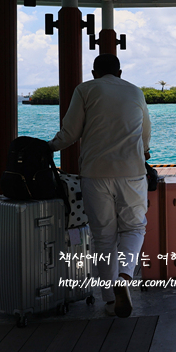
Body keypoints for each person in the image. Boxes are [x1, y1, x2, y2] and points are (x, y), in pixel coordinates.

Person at [49, 54, 151, 318]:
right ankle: (125, 278)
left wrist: (48, 147)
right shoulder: (135, 91)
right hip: (131, 172)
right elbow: (145, 133)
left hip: (95, 173)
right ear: (120, 72)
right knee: (134, 228)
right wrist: (146, 152)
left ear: (94, 72)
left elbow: (70, 133)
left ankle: (109, 299)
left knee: (103, 236)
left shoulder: (85, 89)